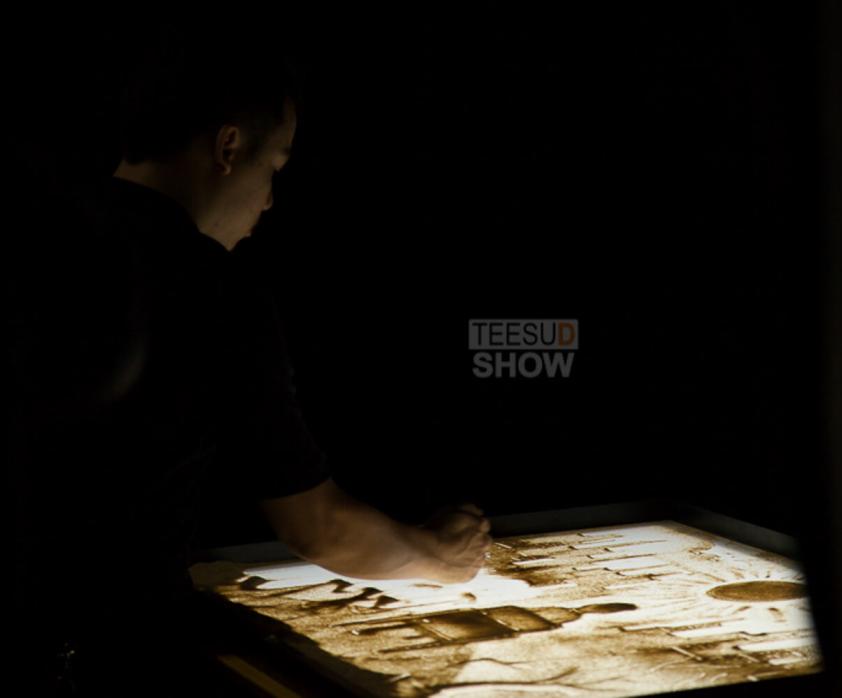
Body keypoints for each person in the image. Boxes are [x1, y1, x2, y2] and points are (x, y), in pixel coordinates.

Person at [8, 28, 490, 696]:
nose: (267, 201)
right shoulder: (209, 287)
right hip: (102, 660)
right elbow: (316, 528)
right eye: (275, 167)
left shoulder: (33, 235)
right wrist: (441, 557)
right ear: (229, 147)